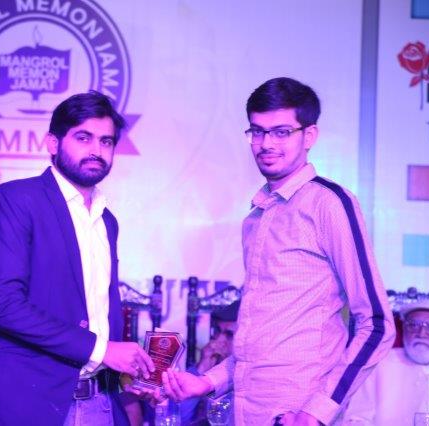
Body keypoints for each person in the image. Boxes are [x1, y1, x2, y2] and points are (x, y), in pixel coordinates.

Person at [162, 77, 395, 425]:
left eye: (281, 132)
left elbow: (377, 325)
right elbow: (261, 342)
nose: (266, 144)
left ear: (309, 136)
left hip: (298, 413)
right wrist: (207, 382)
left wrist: (317, 412)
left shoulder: (329, 203)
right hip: (246, 410)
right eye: (257, 132)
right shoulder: (256, 217)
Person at [0, 91, 154, 425]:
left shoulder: (107, 220)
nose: (96, 150)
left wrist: (128, 379)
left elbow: (98, 316)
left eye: (106, 141)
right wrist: (103, 350)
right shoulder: (17, 199)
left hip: (99, 402)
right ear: (53, 143)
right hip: (30, 404)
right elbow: (4, 306)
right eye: (83, 138)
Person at [342, 298, 429, 425]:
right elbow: (356, 419)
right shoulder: (378, 365)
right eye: (413, 325)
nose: (421, 333)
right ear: (403, 329)